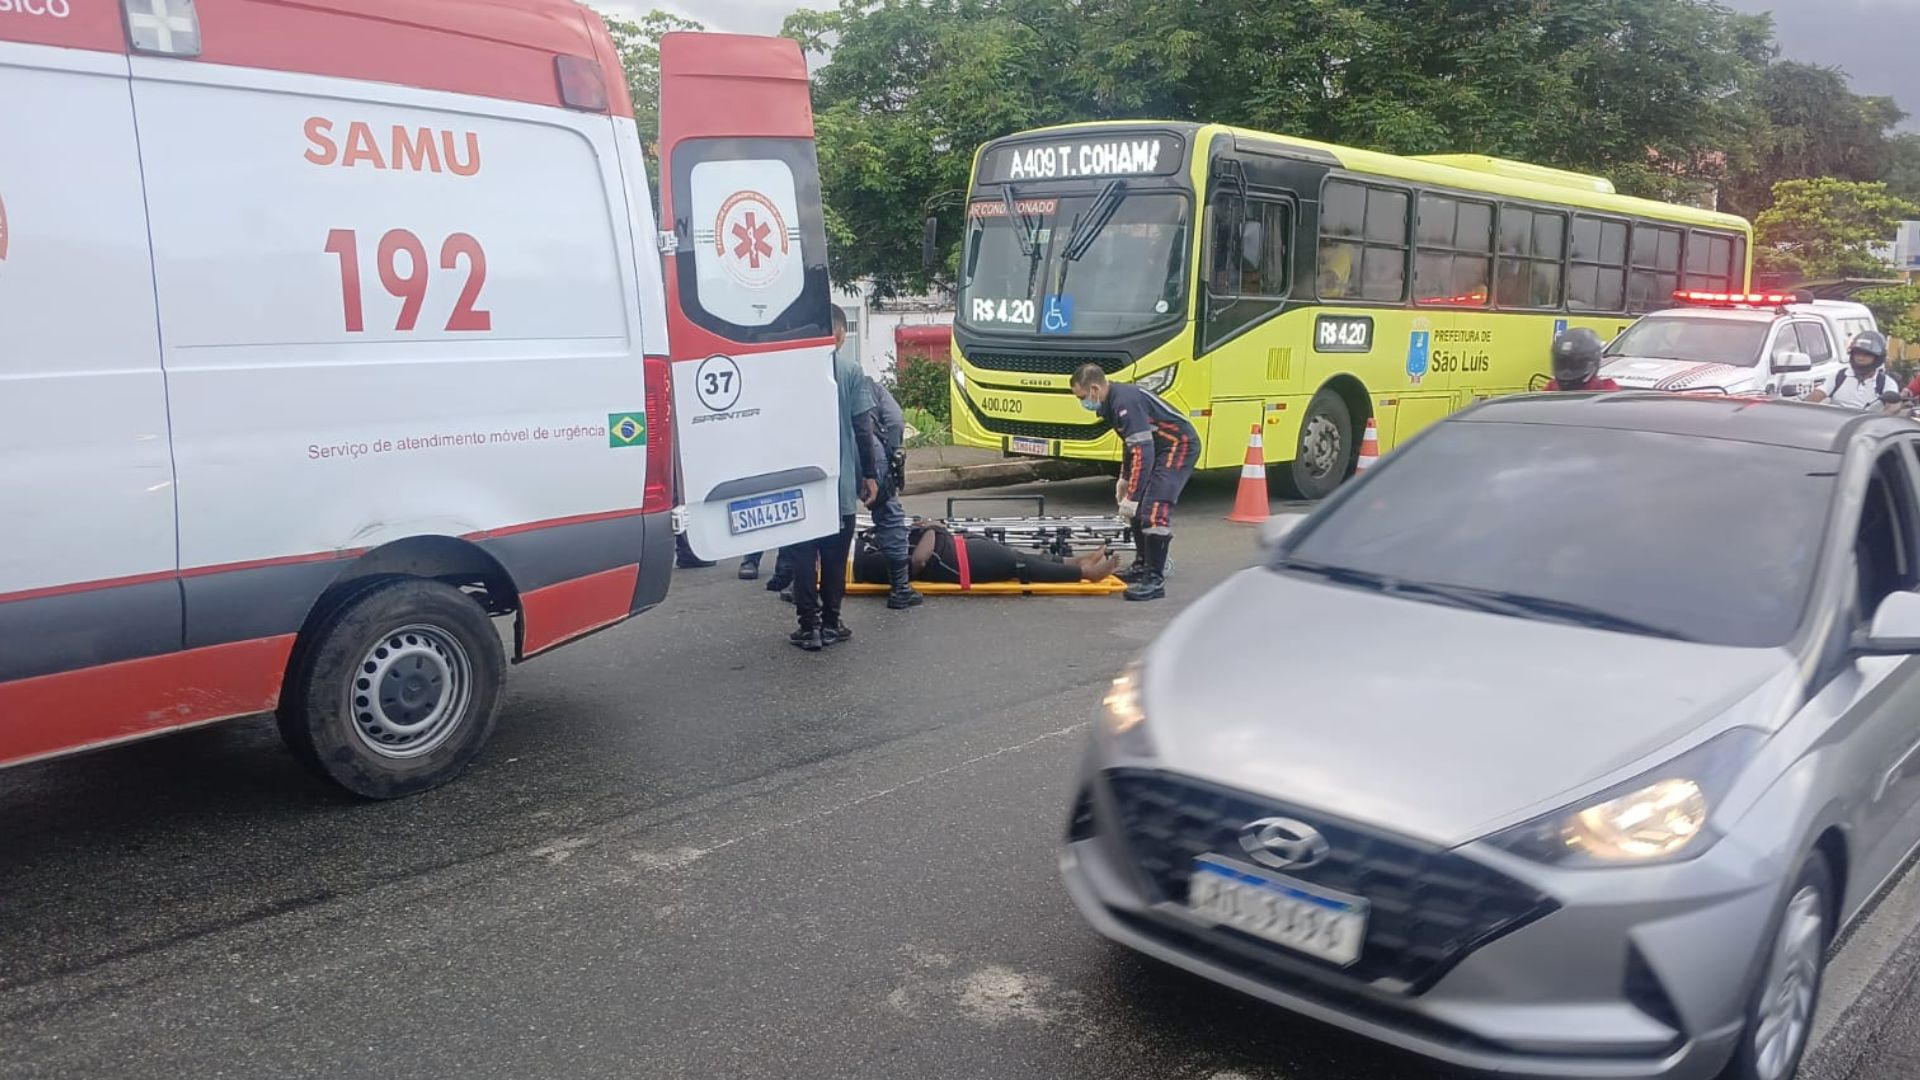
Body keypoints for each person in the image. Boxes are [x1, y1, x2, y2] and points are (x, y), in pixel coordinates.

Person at [785, 308, 885, 651]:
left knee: (802, 556)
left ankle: (808, 627)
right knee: (834, 557)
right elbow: (863, 428)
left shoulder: (791, 372)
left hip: (799, 485)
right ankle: (831, 623)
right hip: (839, 487)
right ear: (841, 336)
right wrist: (869, 475)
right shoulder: (852, 371)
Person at [1069, 363, 1199, 602]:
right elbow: (1131, 445)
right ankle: (1142, 565)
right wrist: (1125, 478)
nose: (1083, 403)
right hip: (1157, 448)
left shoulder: (1123, 402)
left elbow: (1143, 450)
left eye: (1082, 397)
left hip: (1178, 445)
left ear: (1095, 389)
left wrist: (1133, 495)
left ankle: (1154, 579)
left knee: (1153, 508)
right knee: (1138, 507)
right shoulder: (1111, 404)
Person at [851, 521, 1119, 587]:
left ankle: (1076, 562)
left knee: (1018, 555)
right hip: (957, 563)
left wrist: (924, 527)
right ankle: (1085, 573)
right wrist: (931, 530)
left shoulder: (866, 540)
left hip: (956, 547)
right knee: (1018, 564)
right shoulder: (867, 562)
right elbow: (917, 563)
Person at [865, 373, 922, 610]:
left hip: (828, 449)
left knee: (824, 518)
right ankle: (900, 589)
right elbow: (895, 420)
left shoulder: (814, 377)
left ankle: (794, 586)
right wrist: (891, 455)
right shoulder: (867, 384)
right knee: (889, 515)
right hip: (868, 446)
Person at [1809, 330, 1894, 409]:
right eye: (1857, 353)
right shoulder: (1838, 376)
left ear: (1877, 358)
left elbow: (1894, 406)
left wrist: (1881, 418)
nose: (1860, 358)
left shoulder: (1886, 383)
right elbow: (1816, 396)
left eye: (1866, 355)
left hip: (1869, 424)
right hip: (1837, 423)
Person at [1543, 328, 1620, 392]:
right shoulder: (1552, 388)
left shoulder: (1606, 390)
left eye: (1575, 365)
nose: (1567, 372)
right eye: (1562, 364)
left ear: (1592, 363)